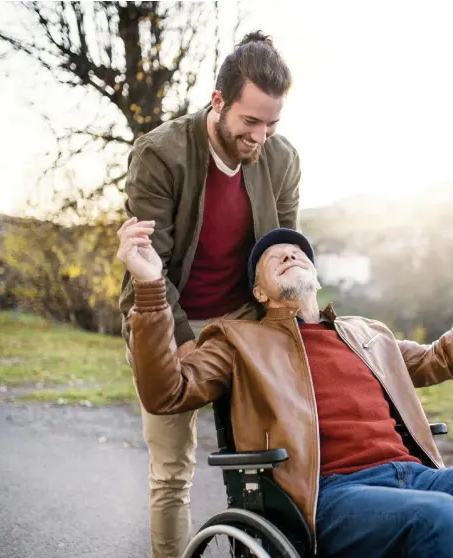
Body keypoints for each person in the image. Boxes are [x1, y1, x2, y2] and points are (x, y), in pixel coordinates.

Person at [117, 217, 453, 558]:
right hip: (332, 493)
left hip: (417, 475)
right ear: (260, 292)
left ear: (317, 280)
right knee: (441, 516)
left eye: (297, 252)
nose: (290, 256)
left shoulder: (369, 334)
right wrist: (149, 287)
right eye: (275, 257)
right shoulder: (240, 341)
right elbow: (167, 392)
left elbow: (438, 358)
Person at [119, 31, 301, 557]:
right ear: (218, 101)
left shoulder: (282, 159)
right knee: (173, 468)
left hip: (241, 317)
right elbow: (149, 270)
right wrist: (182, 343)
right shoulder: (161, 153)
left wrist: (295, 323)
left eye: (271, 124)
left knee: (266, 459)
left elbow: (282, 252)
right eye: (250, 122)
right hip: (163, 314)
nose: (260, 137)